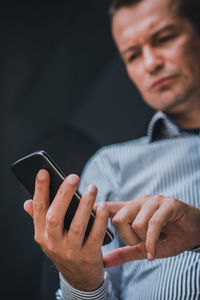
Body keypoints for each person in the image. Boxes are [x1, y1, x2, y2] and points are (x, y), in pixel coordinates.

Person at [24, 0, 200, 298]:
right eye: (132, 55)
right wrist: (81, 282)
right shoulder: (111, 164)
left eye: (165, 38)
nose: (150, 63)